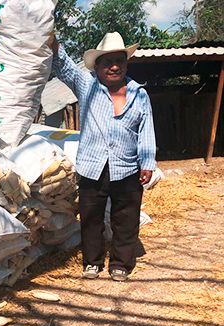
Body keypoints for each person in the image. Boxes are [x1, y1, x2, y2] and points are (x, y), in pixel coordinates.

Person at [49, 32, 156, 281]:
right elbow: (63, 64)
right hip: (92, 165)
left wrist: (148, 163)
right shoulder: (87, 86)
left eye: (119, 61)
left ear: (126, 64)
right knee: (91, 217)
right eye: (107, 62)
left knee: (126, 218)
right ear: (96, 66)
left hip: (127, 167)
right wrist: (51, 37)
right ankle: (92, 262)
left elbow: (146, 131)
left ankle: (121, 263)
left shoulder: (139, 95)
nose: (114, 66)